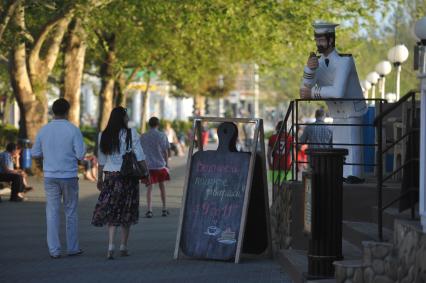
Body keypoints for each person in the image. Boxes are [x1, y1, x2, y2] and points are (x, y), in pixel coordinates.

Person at [299, 21, 367, 183]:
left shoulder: (345, 61)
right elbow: (303, 91)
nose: (318, 44)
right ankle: (342, 174)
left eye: (321, 40)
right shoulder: (319, 63)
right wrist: (309, 69)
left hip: (352, 109)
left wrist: (312, 93)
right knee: (339, 142)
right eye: (317, 40)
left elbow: (338, 92)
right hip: (337, 112)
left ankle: (355, 175)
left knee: (353, 142)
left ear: (331, 40)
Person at [31, 98, 86, 259]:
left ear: (52, 111)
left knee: (52, 212)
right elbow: (81, 155)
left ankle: (54, 250)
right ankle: (73, 248)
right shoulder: (73, 130)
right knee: (71, 212)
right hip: (69, 176)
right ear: (68, 111)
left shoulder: (44, 130)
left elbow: (35, 153)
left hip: (50, 176)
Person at [92, 107, 149, 260]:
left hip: (110, 176)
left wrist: (99, 179)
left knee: (112, 210)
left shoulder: (103, 135)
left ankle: (110, 246)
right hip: (128, 177)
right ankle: (123, 246)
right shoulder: (131, 133)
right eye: (126, 116)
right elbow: (140, 156)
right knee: (127, 210)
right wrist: (146, 173)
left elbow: (102, 160)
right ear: (123, 118)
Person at [140, 117, 170, 218]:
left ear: (149, 124)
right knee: (162, 187)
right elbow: (166, 151)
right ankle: (164, 209)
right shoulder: (162, 135)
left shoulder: (143, 136)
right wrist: (166, 164)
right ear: (158, 124)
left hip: (148, 166)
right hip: (160, 165)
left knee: (149, 188)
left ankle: (149, 210)